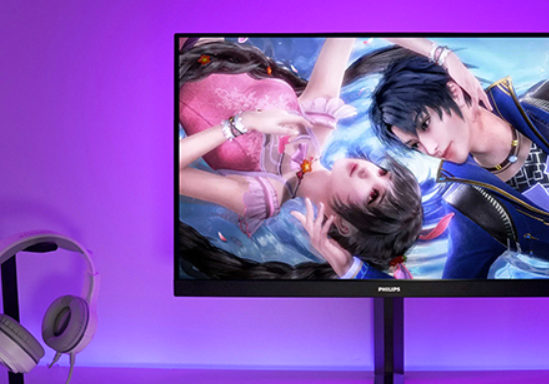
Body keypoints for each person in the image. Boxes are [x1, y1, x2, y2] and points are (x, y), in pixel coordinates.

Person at [336, 49, 549, 279]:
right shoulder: (472, 206)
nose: (430, 149)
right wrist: (351, 270)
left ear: (454, 92)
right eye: (415, 145)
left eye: (425, 124)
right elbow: (451, 295)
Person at [178, 38, 422, 275]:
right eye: (382, 173)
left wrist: (241, 124)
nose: (369, 172)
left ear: (344, 226)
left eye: (373, 195)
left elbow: (166, 172)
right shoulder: (320, 122)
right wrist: (436, 54)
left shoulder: (263, 196)